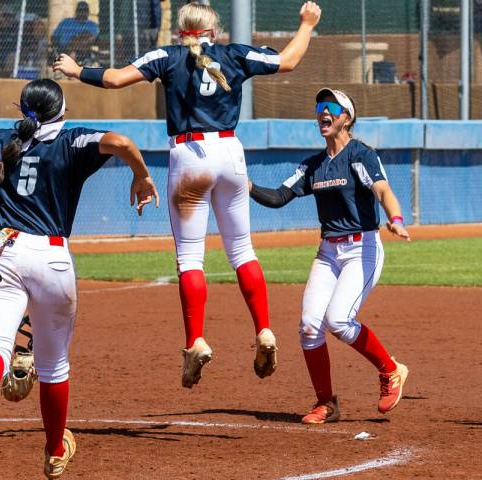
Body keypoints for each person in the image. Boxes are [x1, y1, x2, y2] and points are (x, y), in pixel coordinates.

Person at [54, 1, 322, 389]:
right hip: (230, 151)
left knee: (190, 257)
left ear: (182, 32)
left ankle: (195, 340)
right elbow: (289, 61)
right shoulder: (234, 53)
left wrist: (78, 71)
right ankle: (264, 329)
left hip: (189, 154)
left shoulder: (168, 55)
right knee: (243, 250)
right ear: (213, 32)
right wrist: (306, 24)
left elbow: (114, 79)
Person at [0, 79, 159, 478]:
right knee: (53, 367)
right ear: (62, 112)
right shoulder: (72, 141)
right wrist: (141, 176)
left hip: (2, 250)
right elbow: (122, 141)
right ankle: (54, 450)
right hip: (51, 255)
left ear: (24, 110)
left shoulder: (2, 140)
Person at [248, 88, 410, 423]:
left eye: (330, 107)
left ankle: (391, 370)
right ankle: (326, 403)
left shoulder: (360, 155)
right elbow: (279, 196)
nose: (322, 111)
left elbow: (382, 189)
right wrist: (246, 186)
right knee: (309, 327)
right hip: (328, 252)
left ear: (346, 118)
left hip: (361, 248)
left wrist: (395, 219)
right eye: (318, 106)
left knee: (338, 320)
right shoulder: (314, 165)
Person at [51, 1, 98, 66]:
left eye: (84, 10)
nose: (82, 12)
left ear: (88, 12)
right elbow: (54, 37)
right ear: (76, 11)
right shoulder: (66, 22)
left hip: (83, 50)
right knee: (73, 45)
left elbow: (92, 39)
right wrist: (58, 48)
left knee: (84, 38)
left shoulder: (92, 25)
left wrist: (78, 40)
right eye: (80, 10)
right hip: (64, 49)